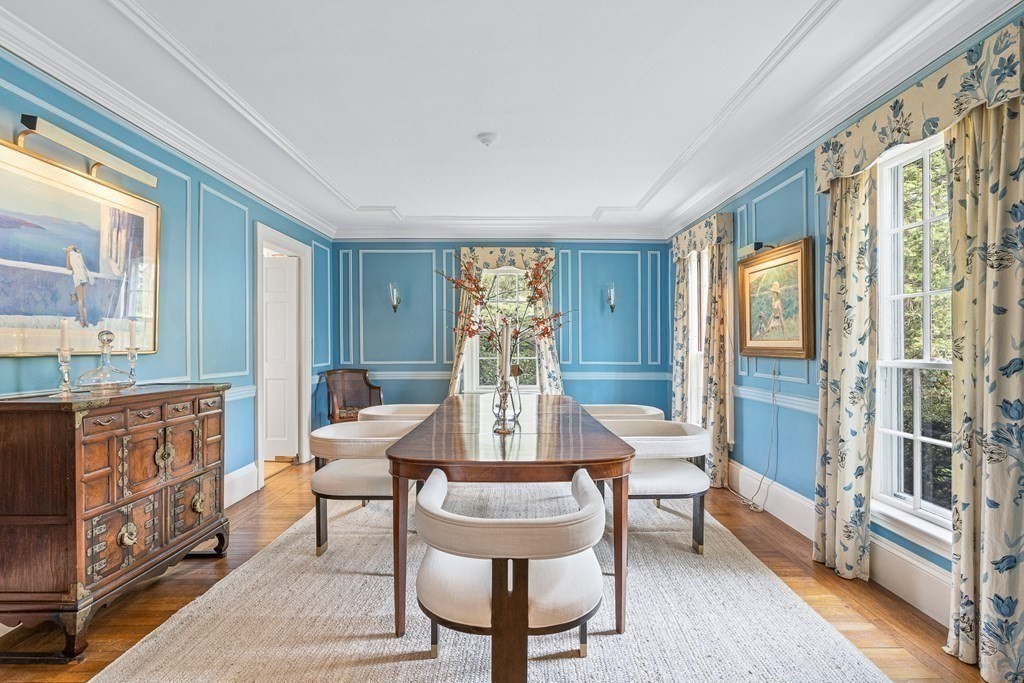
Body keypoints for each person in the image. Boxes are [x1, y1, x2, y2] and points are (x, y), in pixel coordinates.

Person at [65, 244, 94, 327]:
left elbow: (68, 267)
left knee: (80, 301)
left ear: (70, 250)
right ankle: (86, 321)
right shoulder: (79, 255)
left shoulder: (69, 254)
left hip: (78, 278)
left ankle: (82, 320)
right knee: (82, 300)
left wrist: (72, 268)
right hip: (84, 278)